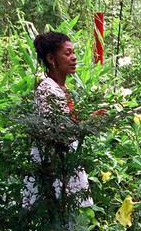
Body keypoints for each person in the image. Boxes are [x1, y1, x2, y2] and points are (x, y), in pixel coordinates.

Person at [23, 32, 101, 208]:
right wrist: (86, 125)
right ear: (51, 58)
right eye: (67, 53)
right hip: (53, 167)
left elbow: (68, 123)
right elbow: (58, 133)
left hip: (64, 164)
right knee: (56, 219)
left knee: (66, 221)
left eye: (73, 53)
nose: (73, 58)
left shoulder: (62, 88)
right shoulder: (47, 90)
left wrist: (90, 120)